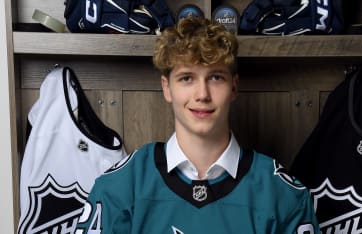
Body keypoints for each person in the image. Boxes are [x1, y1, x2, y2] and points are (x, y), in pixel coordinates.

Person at [76, 17, 319, 234]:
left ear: (233, 86)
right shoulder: (120, 187)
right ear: (167, 87)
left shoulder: (282, 194)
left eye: (215, 77)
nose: (202, 94)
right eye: (186, 78)